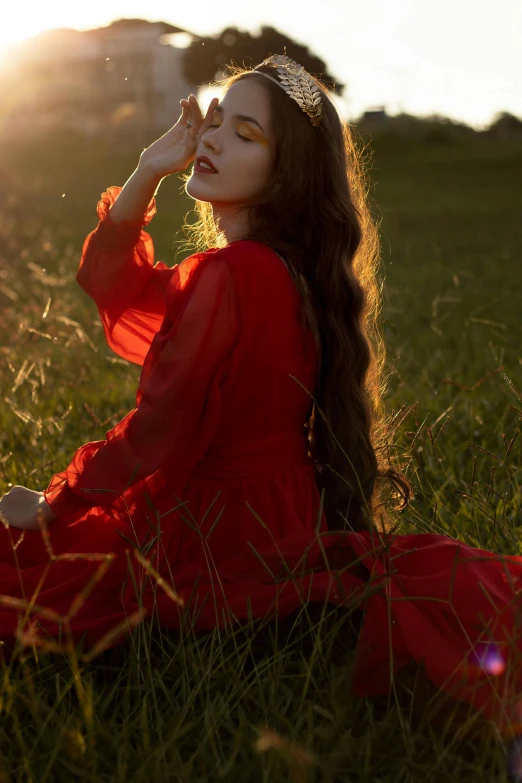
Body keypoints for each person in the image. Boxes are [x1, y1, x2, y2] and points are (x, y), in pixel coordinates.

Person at [1, 54, 521, 740]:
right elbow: (114, 283)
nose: (212, 139)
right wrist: (151, 166)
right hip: (270, 509)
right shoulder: (269, 268)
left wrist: (55, 504)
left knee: (21, 579)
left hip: (223, 528)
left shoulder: (236, 272)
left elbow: (157, 428)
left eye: (245, 133)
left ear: (286, 175)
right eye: (216, 121)